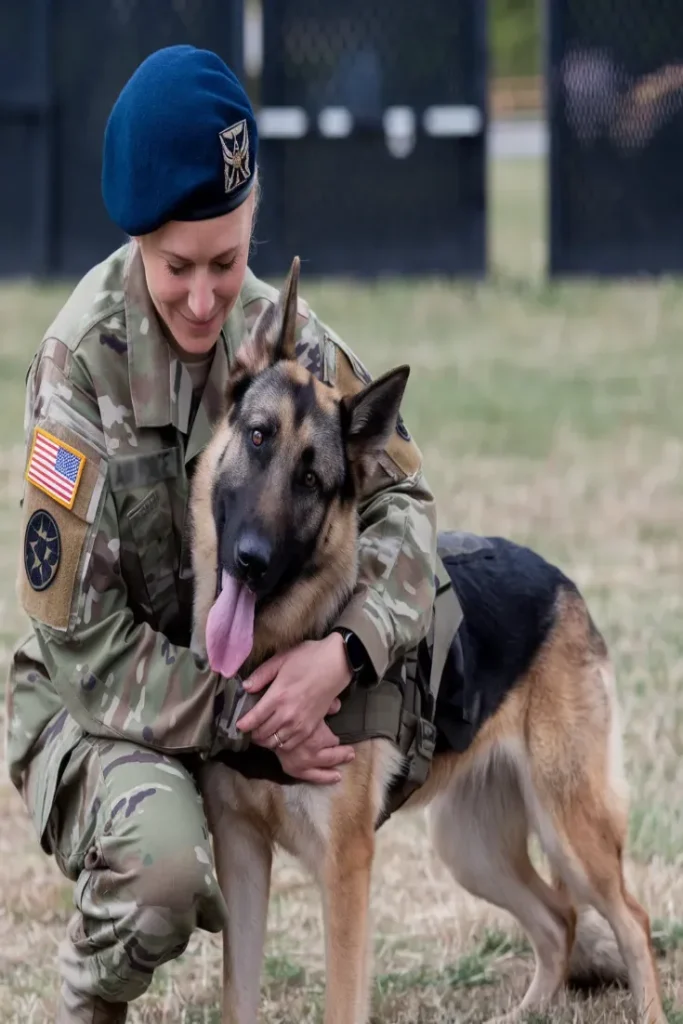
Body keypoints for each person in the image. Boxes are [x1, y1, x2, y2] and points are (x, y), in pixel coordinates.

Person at [6, 45, 437, 1022]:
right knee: (162, 869)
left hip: (257, 670)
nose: (206, 300)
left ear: (252, 229)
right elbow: (79, 639)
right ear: (134, 242)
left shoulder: (285, 334)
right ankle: (88, 997)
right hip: (105, 699)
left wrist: (344, 651)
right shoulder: (80, 368)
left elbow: (406, 505)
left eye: (228, 262)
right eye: (174, 268)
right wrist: (251, 715)